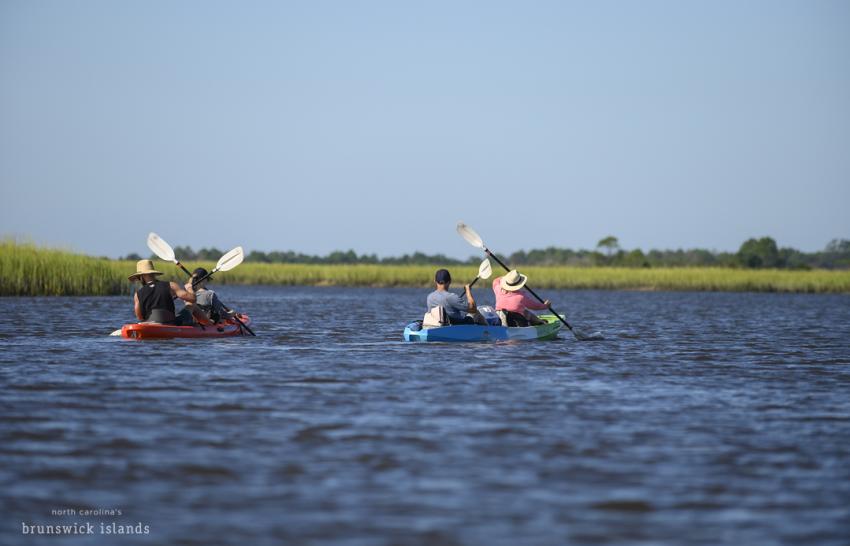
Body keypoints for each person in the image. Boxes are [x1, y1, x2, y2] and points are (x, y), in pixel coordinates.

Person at [129, 260, 195, 324]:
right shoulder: (171, 285)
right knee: (190, 305)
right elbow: (192, 299)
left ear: (141, 277)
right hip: (171, 323)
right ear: (154, 274)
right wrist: (189, 288)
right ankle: (203, 324)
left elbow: (140, 317)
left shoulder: (137, 294)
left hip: (150, 325)